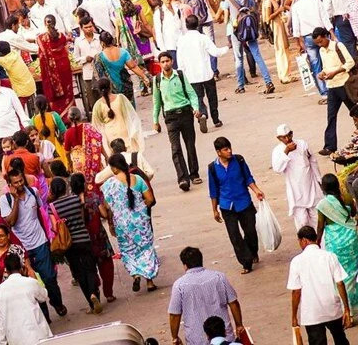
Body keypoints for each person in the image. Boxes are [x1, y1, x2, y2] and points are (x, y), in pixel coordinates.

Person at [0, 167, 66, 316]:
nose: (19, 184)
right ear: (10, 184)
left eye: (21, 180)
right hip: (22, 248)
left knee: (49, 278)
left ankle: (57, 303)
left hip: (40, 242)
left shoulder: (33, 193)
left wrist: (49, 236)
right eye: (15, 183)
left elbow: (41, 214)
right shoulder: (5, 200)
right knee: (31, 282)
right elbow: (10, 222)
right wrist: (16, 200)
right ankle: (43, 315)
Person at [99, 153, 159, 292]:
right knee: (146, 249)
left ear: (114, 168)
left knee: (129, 250)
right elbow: (149, 199)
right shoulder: (137, 179)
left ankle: (135, 275)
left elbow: (107, 207)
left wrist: (111, 224)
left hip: (122, 225)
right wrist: (140, 208)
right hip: (141, 223)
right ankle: (149, 282)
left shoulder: (109, 185)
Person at [167, 246, 246, 345]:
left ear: (185, 265)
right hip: (223, 335)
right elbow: (233, 303)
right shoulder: (219, 277)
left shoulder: (179, 285)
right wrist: (239, 325)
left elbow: (174, 315)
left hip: (196, 339)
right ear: (201, 261)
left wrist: (175, 337)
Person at [208, 137, 264, 274]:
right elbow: (213, 190)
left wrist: (256, 190)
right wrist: (214, 210)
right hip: (227, 206)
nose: (230, 151)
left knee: (250, 231)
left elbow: (248, 178)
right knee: (235, 236)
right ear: (218, 152)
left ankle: (252, 251)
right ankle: (246, 262)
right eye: (226, 149)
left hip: (244, 202)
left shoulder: (239, 160)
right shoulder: (213, 168)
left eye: (230, 148)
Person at [287, 226, 352, 345]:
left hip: (312, 312)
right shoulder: (329, 256)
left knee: (317, 342)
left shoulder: (297, 261)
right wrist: (346, 309)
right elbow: (340, 283)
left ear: (304, 240)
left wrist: (294, 316)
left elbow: (296, 291)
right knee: (340, 339)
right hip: (332, 308)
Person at [48, 177, 102, 314]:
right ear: (65, 188)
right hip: (84, 238)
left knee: (79, 273)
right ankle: (94, 294)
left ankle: (91, 304)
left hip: (69, 244)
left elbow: (54, 228)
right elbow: (83, 215)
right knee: (90, 269)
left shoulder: (52, 207)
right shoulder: (75, 199)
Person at [316, 174, 358, 322]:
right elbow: (355, 213)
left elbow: (320, 227)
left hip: (335, 245)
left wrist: (316, 244)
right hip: (351, 241)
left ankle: (346, 313)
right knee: (355, 274)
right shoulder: (347, 198)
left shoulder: (323, 205)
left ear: (323, 188)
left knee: (340, 278)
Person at [152, 52, 202, 191]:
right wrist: (155, 120)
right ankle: (182, 178)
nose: (165, 64)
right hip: (170, 117)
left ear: (172, 61)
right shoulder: (157, 80)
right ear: (159, 63)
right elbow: (156, 102)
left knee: (190, 145)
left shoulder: (180, 75)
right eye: (162, 62)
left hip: (185, 113)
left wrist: (196, 108)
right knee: (176, 149)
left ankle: (194, 174)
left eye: (167, 61)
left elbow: (191, 93)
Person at [311, 26, 355, 154]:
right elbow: (326, 67)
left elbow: (350, 63)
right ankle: (330, 146)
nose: (320, 45)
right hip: (331, 86)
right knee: (331, 116)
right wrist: (322, 73)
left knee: (354, 112)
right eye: (317, 43)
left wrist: (335, 72)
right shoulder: (322, 51)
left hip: (343, 84)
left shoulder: (338, 46)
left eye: (321, 41)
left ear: (326, 37)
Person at [271, 124, 323, 229]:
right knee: (302, 223)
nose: (287, 139)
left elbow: (313, 162)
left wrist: (319, 180)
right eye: (283, 137)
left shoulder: (303, 144)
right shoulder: (277, 151)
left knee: (317, 220)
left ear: (292, 133)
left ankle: (320, 244)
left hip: (311, 188)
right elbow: (277, 169)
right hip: (296, 192)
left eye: (288, 136)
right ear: (279, 138)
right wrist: (286, 151)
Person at [0, 253, 52, 345]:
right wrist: (35, 279)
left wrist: (1, 342)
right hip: (38, 336)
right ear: (22, 267)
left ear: (6, 271)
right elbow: (43, 296)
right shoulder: (30, 283)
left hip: (15, 339)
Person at [62, 107, 107, 202]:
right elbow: (98, 143)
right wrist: (106, 156)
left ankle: (86, 203)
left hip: (78, 164)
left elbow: (66, 152)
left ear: (69, 119)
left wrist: (69, 164)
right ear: (80, 116)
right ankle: (100, 203)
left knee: (82, 184)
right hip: (91, 160)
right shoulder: (89, 127)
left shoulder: (68, 133)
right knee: (96, 181)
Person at [91, 76, 143, 157]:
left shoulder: (97, 105)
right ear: (110, 86)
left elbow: (96, 126)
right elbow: (132, 115)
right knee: (129, 157)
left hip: (110, 136)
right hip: (124, 132)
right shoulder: (121, 98)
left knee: (117, 161)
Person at [36, 15, 76, 116]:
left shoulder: (41, 38)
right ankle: (70, 114)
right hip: (64, 67)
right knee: (67, 91)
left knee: (53, 93)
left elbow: (41, 56)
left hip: (51, 71)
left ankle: (58, 117)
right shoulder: (62, 36)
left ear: (45, 24)